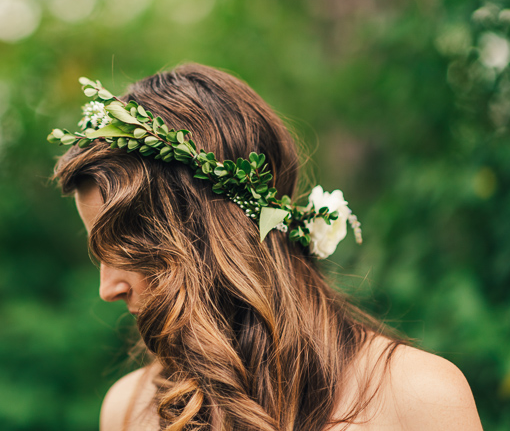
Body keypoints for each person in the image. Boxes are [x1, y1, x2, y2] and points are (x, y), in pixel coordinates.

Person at [50, 64, 482, 431]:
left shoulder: (420, 398)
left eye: (128, 248)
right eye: (101, 254)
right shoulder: (128, 410)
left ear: (215, 236)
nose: (108, 288)